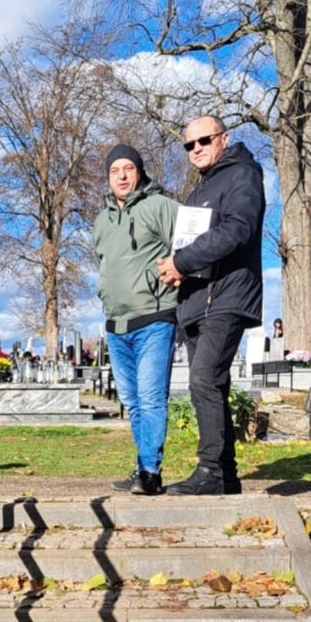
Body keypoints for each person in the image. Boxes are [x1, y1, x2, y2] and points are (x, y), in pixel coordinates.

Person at [157, 115, 264, 495]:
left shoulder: (243, 175)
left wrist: (182, 261)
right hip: (199, 300)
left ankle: (211, 473)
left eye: (204, 140)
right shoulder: (200, 189)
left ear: (224, 138)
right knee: (211, 384)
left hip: (227, 297)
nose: (196, 149)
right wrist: (176, 268)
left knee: (204, 380)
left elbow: (239, 229)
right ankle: (226, 475)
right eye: (189, 145)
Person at [94, 143, 180, 496]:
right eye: (115, 171)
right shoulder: (102, 220)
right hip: (116, 325)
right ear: (108, 178)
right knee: (131, 402)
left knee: (150, 397)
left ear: (139, 172)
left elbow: (192, 242)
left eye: (128, 168)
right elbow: (103, 263)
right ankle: (143, 466)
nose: (122, 176)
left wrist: (180, 271)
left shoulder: (160, 207)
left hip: (154, 318)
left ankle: (150, 471)